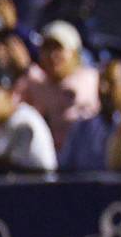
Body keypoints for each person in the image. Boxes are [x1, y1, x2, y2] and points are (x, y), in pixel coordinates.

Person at [23, 20, 101, 149]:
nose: (53, 55)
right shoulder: (33, 82)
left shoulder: (93, 80)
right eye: (47, 48)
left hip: (87, 158)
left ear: (75, 54)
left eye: (58, 48)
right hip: (49, 161)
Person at [58, 59, 121, 171]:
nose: (103, 89)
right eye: (101, 82)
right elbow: (64, 170)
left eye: (111, 83)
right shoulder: (82, 128)